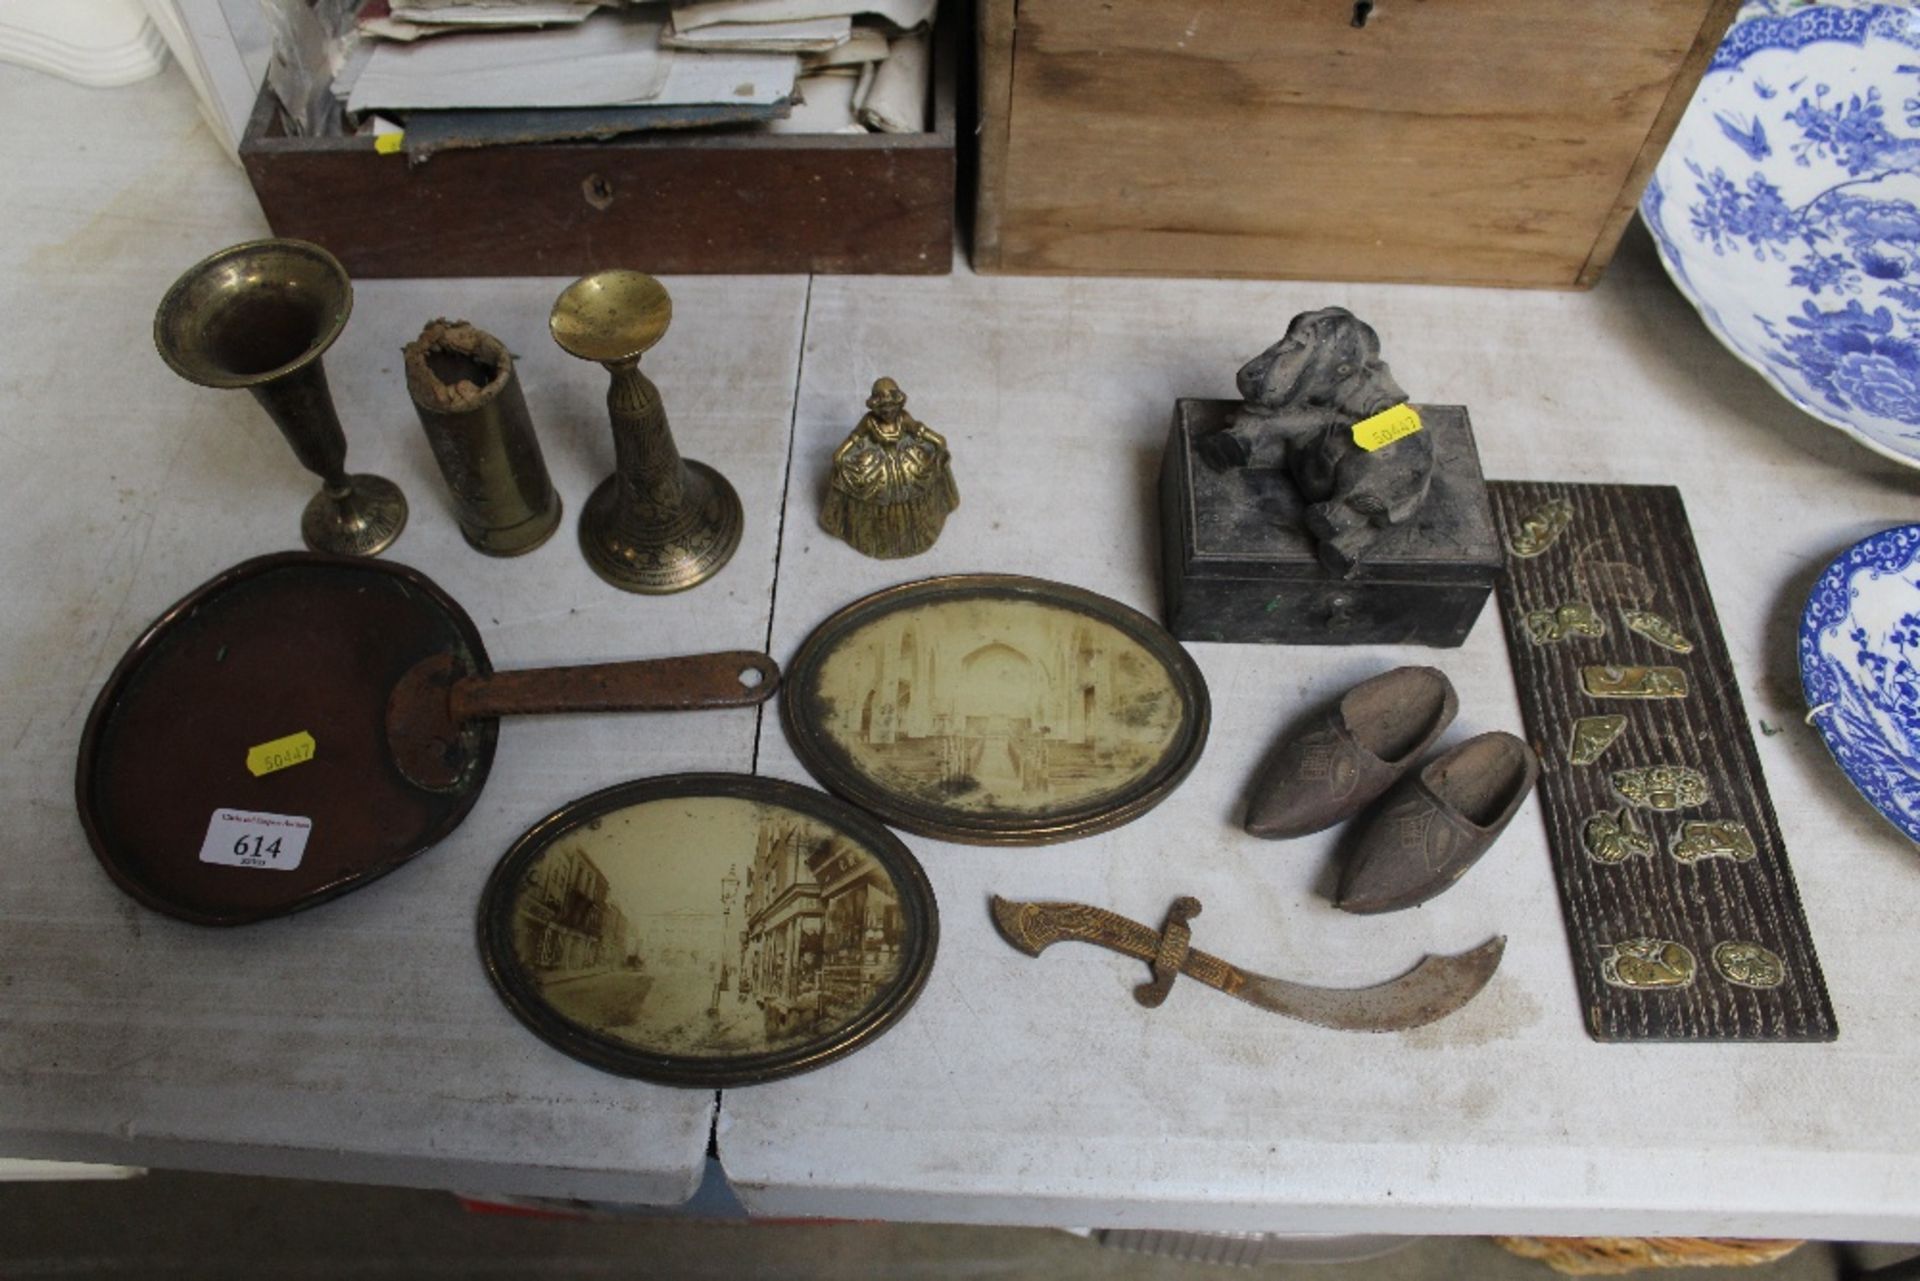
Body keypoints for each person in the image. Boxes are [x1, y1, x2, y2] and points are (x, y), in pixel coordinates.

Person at [820, 377, 959, 559]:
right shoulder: (869, 421)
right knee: (857, 477)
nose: (887, 413)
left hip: (905, 459)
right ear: (874, 408)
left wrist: (937, 440)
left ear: (899, 404)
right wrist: (840, 453)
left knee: (925, 466)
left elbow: (919, 430)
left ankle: (914, 533)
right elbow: (855, 437)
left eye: (891, 408)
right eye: (882, 409)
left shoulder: (903, 418)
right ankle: (876, 538)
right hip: (877, 462)